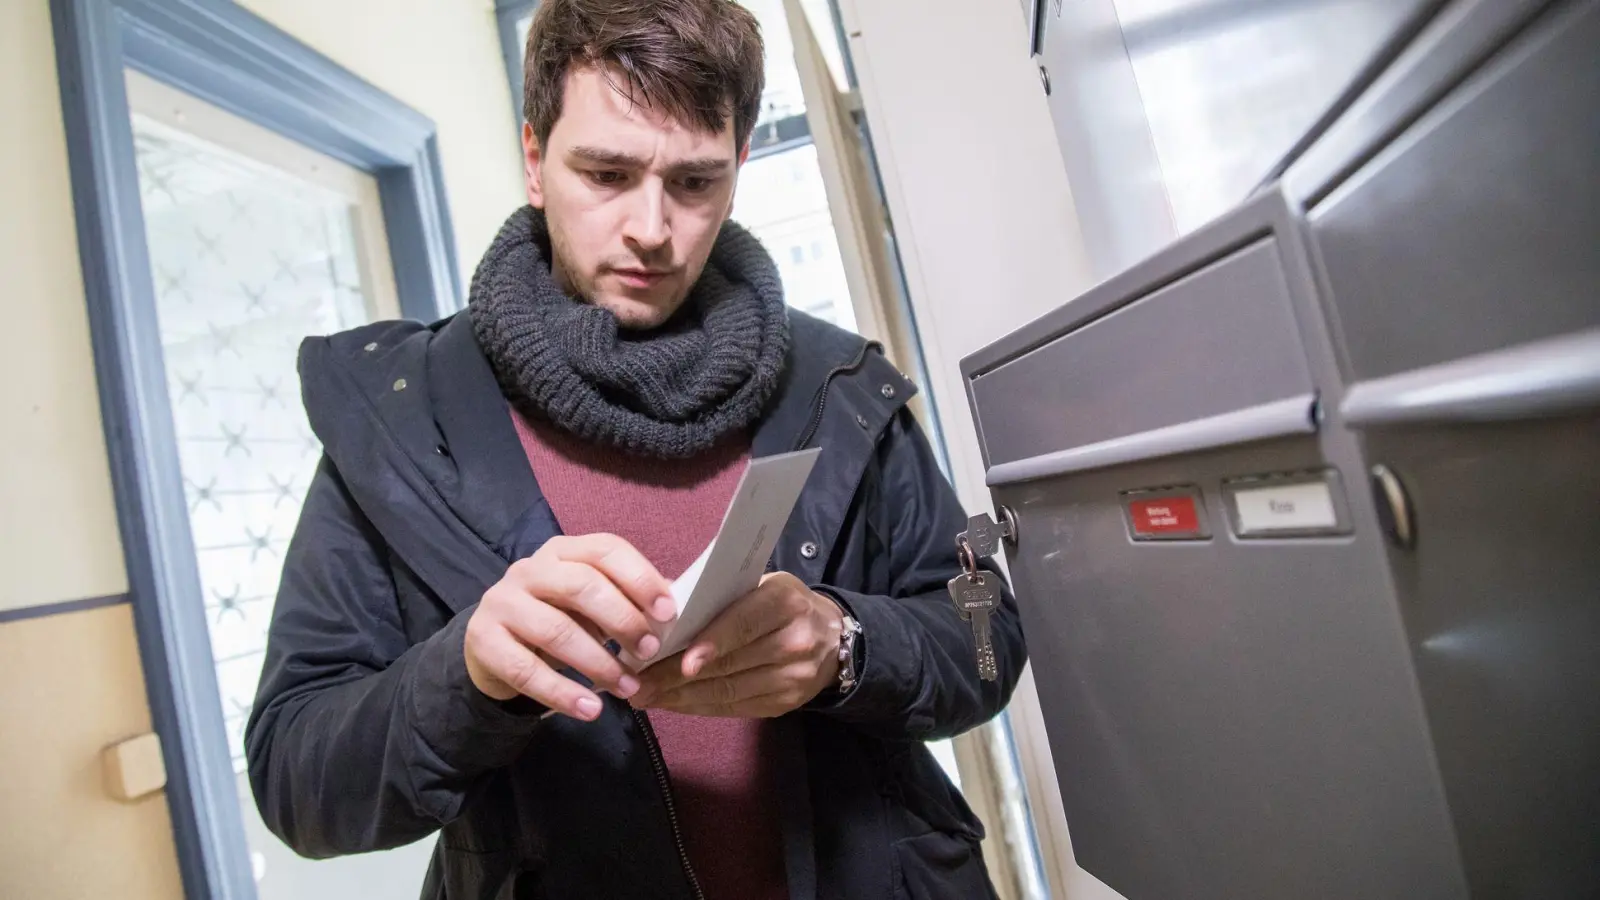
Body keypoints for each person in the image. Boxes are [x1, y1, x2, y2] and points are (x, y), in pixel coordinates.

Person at [244, 0, 1026, 897]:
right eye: (608, 173)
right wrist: (464, 676)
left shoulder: (838, 384)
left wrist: (845, 645)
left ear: (737, 170)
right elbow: (294, 779)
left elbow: (986, 642)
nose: (652, 229)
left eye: (693, 183)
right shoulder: (396, 420)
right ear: (535, 161)